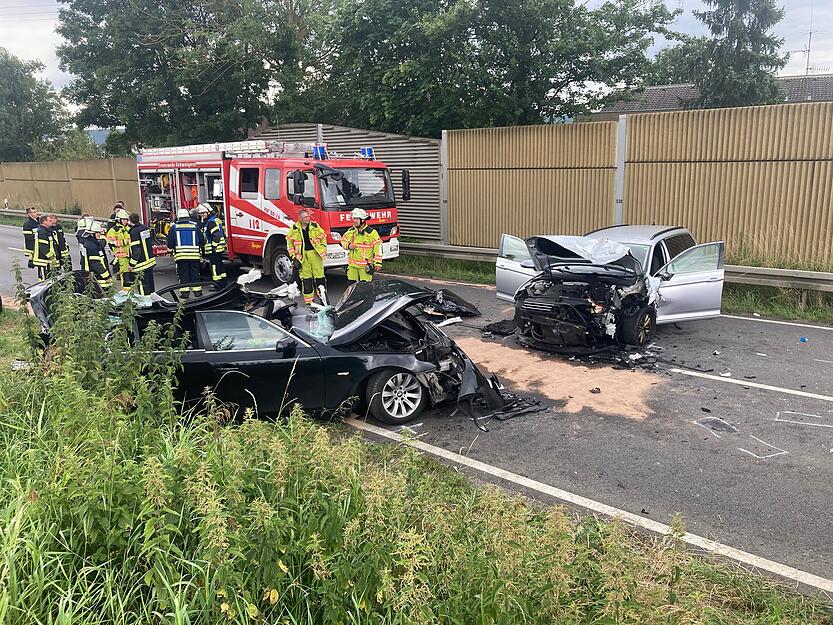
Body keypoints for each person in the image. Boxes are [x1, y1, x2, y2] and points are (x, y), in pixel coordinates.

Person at [286, 209, 327, 304]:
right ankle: (309, 302)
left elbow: (323, 237)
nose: (308, 219)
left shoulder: (315, 226)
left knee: (320, 279)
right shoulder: (294, 228)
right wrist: (293, 256)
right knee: (306, 280)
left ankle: (323, 300)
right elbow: (289, 243)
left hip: (315, 255)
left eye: (308, 216)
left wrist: (323, 249)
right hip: (303, 257)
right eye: (305, 217)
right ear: (300, 218)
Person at [166, 208, 204, 298]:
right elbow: (202, 240)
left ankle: (185, 293)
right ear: (188, 217)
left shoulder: (174, 228)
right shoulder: (195, 226)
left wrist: (170, 251)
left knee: (183, 274)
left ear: (178, 217)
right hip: (194, 256)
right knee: (195, 273)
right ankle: (197, 292)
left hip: (181, 256)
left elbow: (170, 243)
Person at [341, 207, 382, 283]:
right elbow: (343, 240)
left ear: (363, 220)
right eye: (354, 219)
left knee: (365, 287)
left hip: (365, 267)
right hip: (353, 266)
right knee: (351, 286)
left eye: (357, 219)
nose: (355, 221)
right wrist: (348, 245)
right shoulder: (351, 231)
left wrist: (378, 263)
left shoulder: (372, 233)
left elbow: (378, 248)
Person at [197, 204, 228, 289]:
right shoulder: (215, 219)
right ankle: (223, 283)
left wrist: (213, 246)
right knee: (220, 266)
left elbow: (216, 235)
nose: (202, 215)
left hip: (214, 249)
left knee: (214, 267)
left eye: (203, 213)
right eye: (200, 214)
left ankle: (217, 285)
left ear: (208, 212)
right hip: (219, 248)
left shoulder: (210, 222)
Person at [127, 213, 156, 294]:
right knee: (150, 284)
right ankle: (152, 299)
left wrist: (131, 264)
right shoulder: (145, 228)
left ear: (130, 221)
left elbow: (136, 250)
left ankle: (145, 301)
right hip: (150, 261)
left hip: (141, 264)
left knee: (143, 286)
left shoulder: (134, 232)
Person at [79, 221, 112, 288]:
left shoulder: (90, 243)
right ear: (91, 234)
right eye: (97, 232)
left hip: (92, 276)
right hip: (96, 277)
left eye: (99, 232)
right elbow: (95, 263)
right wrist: (106, 276)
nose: (99, 234)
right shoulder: (92, 246)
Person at [107, 208, 132, 290]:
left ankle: (131, 292)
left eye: (126, 219)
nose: (125, 221)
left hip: (130, 255)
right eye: (123, 219)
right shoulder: (114, 230)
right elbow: (111, 242)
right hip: (121, 256)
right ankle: (125, 292)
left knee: (132, 275)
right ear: (119, 220)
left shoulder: (129, 228)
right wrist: (125, 241)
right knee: (125, 275)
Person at [32, 214, 59, 280]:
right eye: (50, 221)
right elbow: (43, 247)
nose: (52, 222)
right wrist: (50, 256)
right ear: (44, 221)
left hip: (47, 261)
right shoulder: (42, 232)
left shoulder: (47, 231)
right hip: (43, 260)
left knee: (50, 279)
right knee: (44, 280)